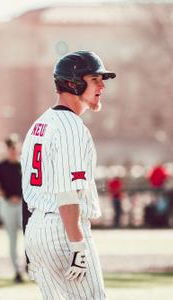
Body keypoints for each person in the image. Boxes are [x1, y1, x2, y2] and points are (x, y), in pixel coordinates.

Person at [21, 50, 115, 299]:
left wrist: (30, 244)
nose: (102, 86)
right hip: (64, 231)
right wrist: (78, 246)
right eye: (95, 79)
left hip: (37, 228)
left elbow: (26, 193)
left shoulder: (40, 124)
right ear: (74, 83)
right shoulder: (71, 127)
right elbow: (66, 193)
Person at [0, 134, 24, 283]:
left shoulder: (24, 164)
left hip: (24, 205)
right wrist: (10, 197)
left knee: (31, 236)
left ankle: (31, 264)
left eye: (14, 147)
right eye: (10, 147)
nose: (12, 150)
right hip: (7, 205)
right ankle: (17, 271)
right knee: (12, 239)